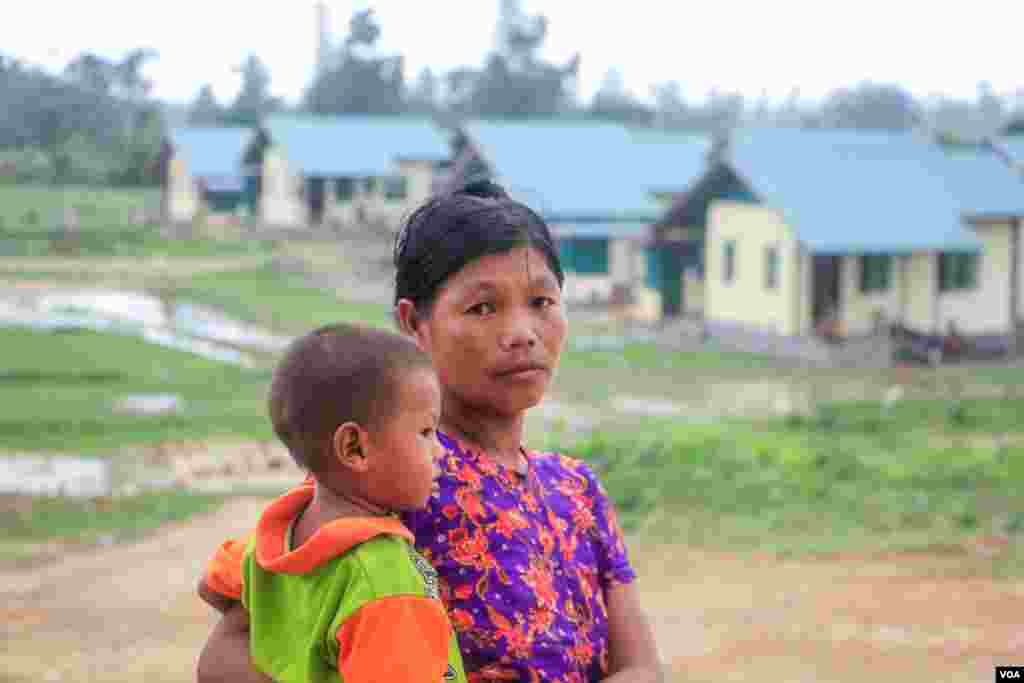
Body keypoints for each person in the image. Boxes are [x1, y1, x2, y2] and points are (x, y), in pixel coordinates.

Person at [197, 181, 663, 683]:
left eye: (542, 301)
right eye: (483, 308)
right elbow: (226, 657)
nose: (523, 332)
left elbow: (641, 668)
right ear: (414, 322)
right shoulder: (387, 482)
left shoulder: (578, 491)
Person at [206, 323, 466, 683]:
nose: (440, 451)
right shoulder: (382, 579)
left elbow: (212, 588)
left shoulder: (273, 541)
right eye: (425, 432)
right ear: (354, 448)